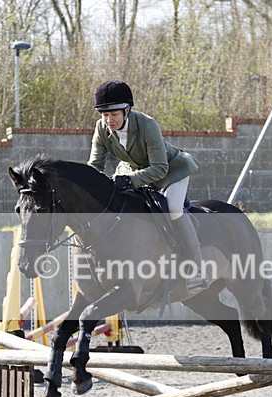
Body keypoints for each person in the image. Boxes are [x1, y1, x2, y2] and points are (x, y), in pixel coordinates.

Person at [87, 80, 208, 294]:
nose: (109, 120)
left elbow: (159, 168)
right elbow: (95, 166)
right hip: (132, 169)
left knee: (173, 209)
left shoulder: (147, 124)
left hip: (171, 170)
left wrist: (131, 181)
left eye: (114, 114)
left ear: (127, 110)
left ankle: (196, 269)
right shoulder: (101, 128)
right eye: (104, 115)